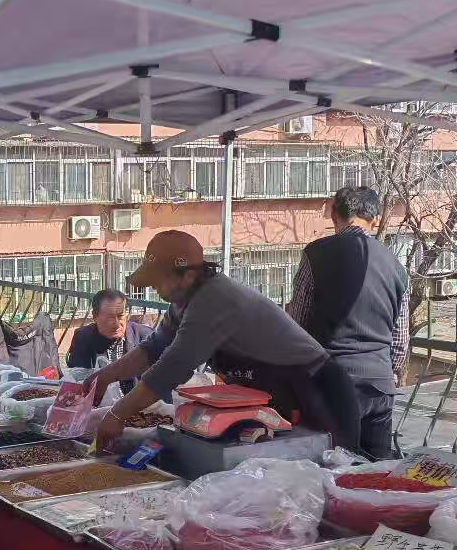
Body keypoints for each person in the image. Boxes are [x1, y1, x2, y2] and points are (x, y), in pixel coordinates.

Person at [83, 230, 361, 454]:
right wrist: (105, 376)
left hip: (315, 394)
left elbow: (172, 367)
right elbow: (152, 348)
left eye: (158, 281)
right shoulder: (183, 301)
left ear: (188, 275)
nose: (154, 288)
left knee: (328, 473)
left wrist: (117, 415)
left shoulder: (213, 299)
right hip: (275, 398)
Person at [288, 186, 410, 460]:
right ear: (375, 220)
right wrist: (386, 369)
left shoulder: (316, 254)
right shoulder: (396, 265)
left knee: (332, 466)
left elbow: (298, 322)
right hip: (380, 385)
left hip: (331, 382)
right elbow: (401, 341)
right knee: (377, 470)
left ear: (335, 216)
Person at [66, 288, 152, 395]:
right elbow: (78, 381)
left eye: (120, 316)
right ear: (95, 316)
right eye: (110, 318)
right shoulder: (83, 337)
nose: (117, 324)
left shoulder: (146, 337)